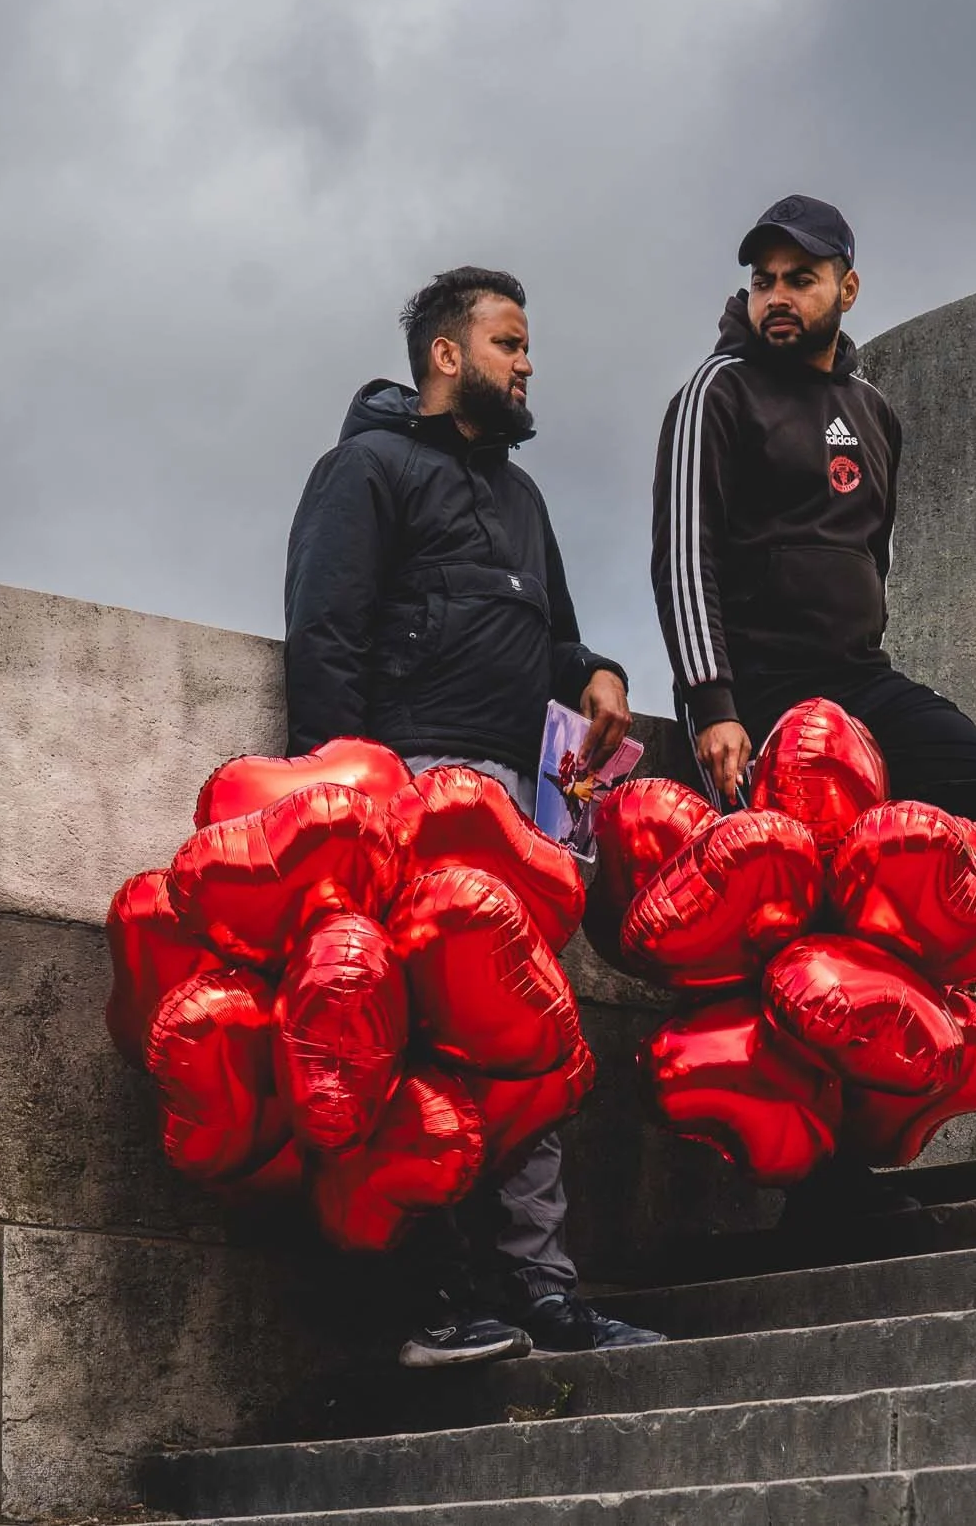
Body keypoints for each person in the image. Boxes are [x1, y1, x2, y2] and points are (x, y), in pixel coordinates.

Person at [285, 266, 662, 1367]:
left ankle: (543, 1292)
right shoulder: (365, 469)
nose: (526, 360)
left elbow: (547, 636)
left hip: (518, 811)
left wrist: (593, 669)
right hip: (407, 792)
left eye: (525, 341)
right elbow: (325, 640)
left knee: (531, 1050)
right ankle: (432, 1299)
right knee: (414, 1056)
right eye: (508, 341)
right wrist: (347, 804)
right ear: (448, 355)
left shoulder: (522, 498)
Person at [648, 195, 976, 1228]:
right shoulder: (714, 395)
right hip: (758, 696)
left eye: (799, 278)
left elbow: (873, 558)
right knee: (791, 930)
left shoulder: (873, 411)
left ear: (844, 289)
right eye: (764, 279)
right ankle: (822, 1189)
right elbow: (682, 557)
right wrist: (713, 703)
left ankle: (888, 1065)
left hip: (855, 681)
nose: (777, 297)